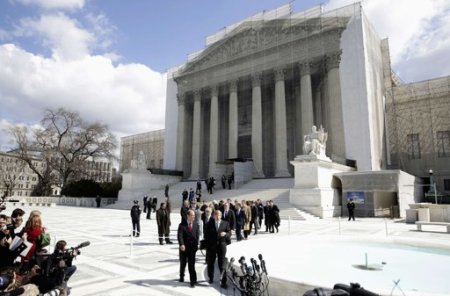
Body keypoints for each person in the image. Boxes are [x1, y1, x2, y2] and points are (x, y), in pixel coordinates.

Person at [204, 210, 231, 288]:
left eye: (219, 215)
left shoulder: (226, 223)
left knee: (222, 264)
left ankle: (223, 281)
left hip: (221, 246)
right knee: (210, 263)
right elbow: (206, 235)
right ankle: (211, 278)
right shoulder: (209, 223)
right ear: (213, 216)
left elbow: (229, 233)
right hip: (211, 247)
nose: (217, 216)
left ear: (221, 215)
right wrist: (207, 246)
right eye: (216, 215)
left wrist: (225, 234)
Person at [177, 210, 200, 288]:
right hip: (184, 248)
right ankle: (181, 276)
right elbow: (180, 236)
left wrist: (197, 245)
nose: (193, 217)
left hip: (192, 248)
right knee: (183, 263)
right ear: (188, 216)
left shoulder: (196, 224)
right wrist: (182, 244)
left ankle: (193, 280)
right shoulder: (182, 225)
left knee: (191, 265)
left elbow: (197, 236)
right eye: (192, 215)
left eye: (194, 216)